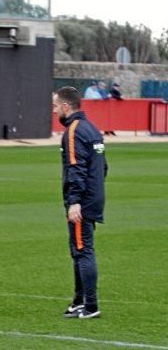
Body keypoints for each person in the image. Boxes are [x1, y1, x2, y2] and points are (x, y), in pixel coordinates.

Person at [52, 86, 108, 319]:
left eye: (55, 106)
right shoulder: (91, 128)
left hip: (81, 202)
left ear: (66, 106)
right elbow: (103, 167)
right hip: (94, 198)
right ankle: (78, 301)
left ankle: (91, 305)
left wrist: (75, 202)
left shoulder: (74, 131)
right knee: (79, 250)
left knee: (83, 250)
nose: (54, 111)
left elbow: (76, 168)